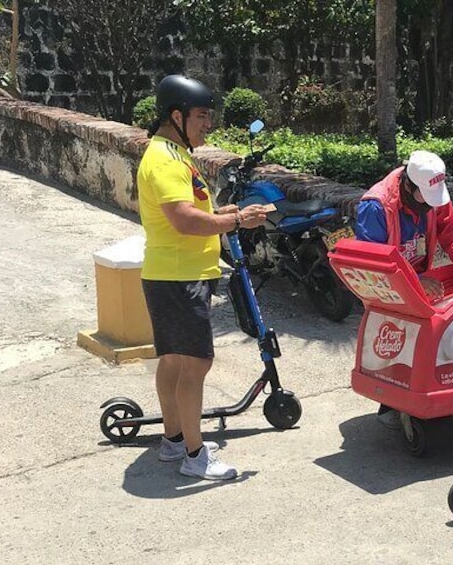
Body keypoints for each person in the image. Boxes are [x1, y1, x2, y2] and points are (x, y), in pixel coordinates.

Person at [138, 74, 268, 480]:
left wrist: (230, 215)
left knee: (175, 362)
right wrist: (235, 222)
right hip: (179, 277)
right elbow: (184, 220)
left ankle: (175, 440)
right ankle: (195, 456)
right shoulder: (164, 159)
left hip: (173, 273)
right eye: (201, 116)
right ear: (176, 115)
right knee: (196, 364)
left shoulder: (174, 153)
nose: (207, 124)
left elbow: (194, 211)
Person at [355, 150, 453, 428]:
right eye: (424, 201)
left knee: (420, 341)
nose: (430, 207)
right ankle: (392, 402)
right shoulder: (376, 206)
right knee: (392, 339)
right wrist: (415, 282)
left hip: (417, 277)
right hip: (388, 288)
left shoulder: (431, 193)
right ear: (407, 185)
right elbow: (373, 264)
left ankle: (417, 399)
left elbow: (451, 228)